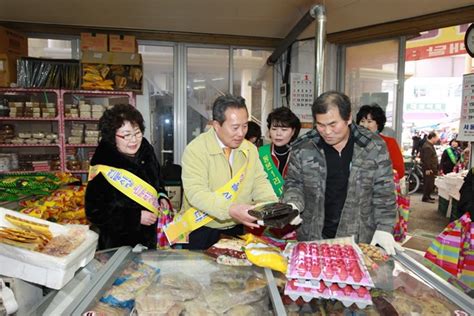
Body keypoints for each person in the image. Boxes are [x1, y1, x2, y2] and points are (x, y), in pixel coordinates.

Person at [281, 91, 402, 255]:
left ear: (349, 118)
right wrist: (292, 204)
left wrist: (385, 228)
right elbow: (294, 184)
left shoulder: (372, 146)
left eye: (333, 124)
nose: (327, 132)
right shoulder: (305, 147)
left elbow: (384, 191)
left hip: (359, 239)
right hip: (314, 238)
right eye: (321, 125)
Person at [177, 94, 278, 250]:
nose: (241, 133)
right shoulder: (196, 150)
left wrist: (271, 205)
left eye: (245, 126)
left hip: (236, 228)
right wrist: (230, 209)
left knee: (235, 273)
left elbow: (260, 182)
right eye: (235, 127)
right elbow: (196, 192)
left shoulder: (249, 149)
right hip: (201, 229)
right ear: (217, 126)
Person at [85, 104, 170, 250]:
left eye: (137, 133)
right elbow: (95, 212)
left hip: (150, 239)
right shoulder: (104, 163)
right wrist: (135, 218)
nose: (134, 140)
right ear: (112, 136)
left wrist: (162, 196)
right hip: (119, 245)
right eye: (126, 135)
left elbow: (157, 178)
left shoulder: (146, 150)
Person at [259, 107, 301, 197]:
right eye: (274, 129)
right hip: (266, 205)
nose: (278, 134)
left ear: (293, 131)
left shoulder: (300, 155)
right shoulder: (260, 153)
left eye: (284, 130)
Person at [356, 104, 405, 179]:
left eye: (369, 121)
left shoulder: (389, 143)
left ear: (378, 124)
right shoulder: (353, 142)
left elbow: (399, 171)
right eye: (362, 121)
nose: (365, 125)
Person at [420, 131, 440, 203]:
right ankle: (425, 198)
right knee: (428, 183)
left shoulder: (429, 145)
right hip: (429, 169)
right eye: (437, 138)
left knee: (430, 183)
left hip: (431, 168)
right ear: (433, 138)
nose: (437, 139)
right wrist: (428, 169)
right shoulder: (427, 146)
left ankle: (428, 196)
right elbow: (426, 159)